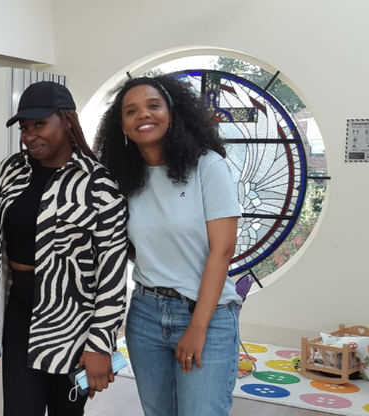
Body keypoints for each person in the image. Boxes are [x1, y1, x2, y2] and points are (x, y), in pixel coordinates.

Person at [94, 75, 242, 416]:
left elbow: (222, 252)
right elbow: (129, 245)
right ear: (122, 126)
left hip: (208, 313)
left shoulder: (207, 166)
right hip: (145, 313)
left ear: (172, 113)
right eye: (131, 111)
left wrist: (197, 327)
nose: (143, 115)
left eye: (153, 106)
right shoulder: (122, 177)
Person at [0, 81, 128, 415]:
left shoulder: (100, 184)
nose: (29, 136)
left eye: (40, 125)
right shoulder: (11, 170)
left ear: (66, 121)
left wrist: (100, 344)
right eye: (24, 128)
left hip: (73, 322)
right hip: (19, 313)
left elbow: (112, 275)